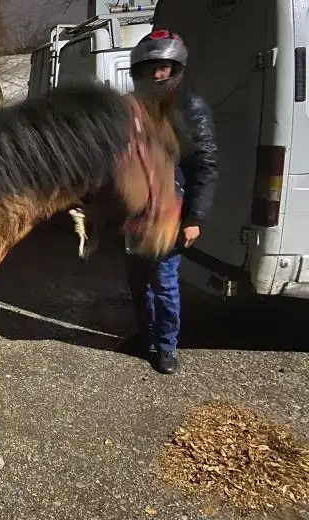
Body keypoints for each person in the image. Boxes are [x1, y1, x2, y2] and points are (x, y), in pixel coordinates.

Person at [121, 29, 219, 374]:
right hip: (135, 213)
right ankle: (144, 335)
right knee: (137, 281)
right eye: (151, 68)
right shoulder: (130, 108)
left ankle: (166, 347)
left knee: (164, 284)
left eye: (164, 67)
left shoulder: (191, 109)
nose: (157, 74)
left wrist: (195, 217)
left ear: (176, 68)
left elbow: (204, 166)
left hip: (170, 213)